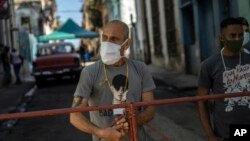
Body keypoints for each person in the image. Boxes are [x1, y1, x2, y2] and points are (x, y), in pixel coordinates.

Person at [70, 20, 156, 141]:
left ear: (126, 44)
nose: (107, 43)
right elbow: (75, 115)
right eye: (104, 37)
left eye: (114, 39)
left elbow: (150, 108)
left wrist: (134, 121)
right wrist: (102, 133)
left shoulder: (140, 68)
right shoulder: (89, 72)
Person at [197, 17, 250, 141]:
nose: (237, 39)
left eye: (240, 35)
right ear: (222, 38)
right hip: (225, 134)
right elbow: (201, 101)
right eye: (232, 35)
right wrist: (210, 135)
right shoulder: (209, 65)